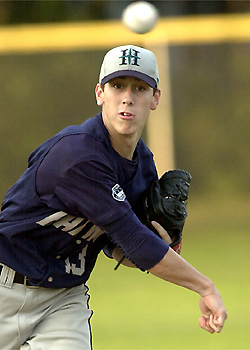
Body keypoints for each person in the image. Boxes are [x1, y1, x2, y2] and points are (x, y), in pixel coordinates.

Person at [0, 45, 227, 350]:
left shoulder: (143, 166)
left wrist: (162, 245)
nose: (128, 98)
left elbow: (117, 246)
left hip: (63, 299)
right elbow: (134, 239)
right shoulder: (77, 156)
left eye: (140, 88)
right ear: (99, 93)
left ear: (156, 97)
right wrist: (205, 287)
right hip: (6, 285)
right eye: (117, 85)